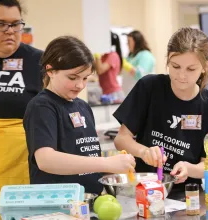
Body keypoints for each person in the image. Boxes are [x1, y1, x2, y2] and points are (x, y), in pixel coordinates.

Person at [114, 27, 208, 195]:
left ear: (205, 66)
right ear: (167, 60)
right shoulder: (149, 87)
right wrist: (144, 151)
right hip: (143, 191)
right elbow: (121, 139)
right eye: (175, 66)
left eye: (191, 69)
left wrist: (189, 169)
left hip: (188, 196)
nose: (182, 75)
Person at [23, 36, 136, 194]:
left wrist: (114, 168)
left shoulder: (82, 106)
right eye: (72, 77)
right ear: (50, 70)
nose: (80, 85)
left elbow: (87, 155)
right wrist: (105, 163)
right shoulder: (42, 106)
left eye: (85, 78)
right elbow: (45, 160)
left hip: (91, 200)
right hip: (58, 204)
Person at [0, 0, 43, 218]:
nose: (10, 31)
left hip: (25, 161)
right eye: (0, 24)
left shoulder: (39, 61)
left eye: (16, 24)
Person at [94, 32, 125, 104]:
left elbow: (100, 70)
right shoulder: (103, 56)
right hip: (106, 92)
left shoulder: (113, 55)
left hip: (114, 93)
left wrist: (97, 55)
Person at [122, 30, 155, 95]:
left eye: (129, 41)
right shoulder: (131, 56)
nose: (127, 44)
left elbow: (140, 75)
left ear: (136, 42)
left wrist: (127, 66)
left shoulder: (146, 55)